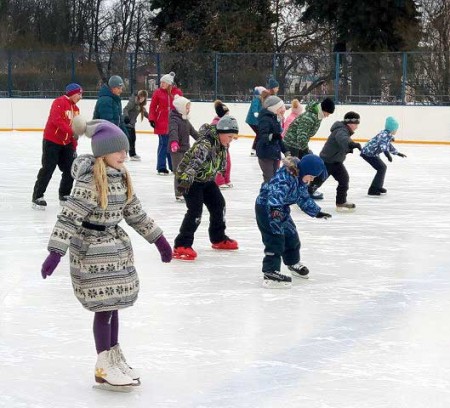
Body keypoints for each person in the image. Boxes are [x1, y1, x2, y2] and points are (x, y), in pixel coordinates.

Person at [40, 117, 173, 391]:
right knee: (104, 307)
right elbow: (69, 216)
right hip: (91, 250)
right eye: (118, 151)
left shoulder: (121, 177)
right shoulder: (90, 180)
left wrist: (158, 239)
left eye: (125, 150)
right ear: (103, 153)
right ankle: (103, 364)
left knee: (114, 304)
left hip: (114, 246)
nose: (124, 155)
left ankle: (113, 355)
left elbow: (135, 213)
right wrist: (55, 252)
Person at [255, 155, 331, 289]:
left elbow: (303, 198)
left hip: (281, 209)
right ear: (305, 170)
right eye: (311, 176)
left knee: (291, 235)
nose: (311, 180)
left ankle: (292, 262)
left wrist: (316, 212)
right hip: (268, 208)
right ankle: (270, 272)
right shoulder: (284, 177)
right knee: (275, 239)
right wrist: (275, 211)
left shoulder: (300, 179)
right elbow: (275, 194)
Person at [172, 116, 240, 261]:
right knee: (195, 211)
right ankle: (182, 244)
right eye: (229, 136)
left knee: (218, 205)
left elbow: (217, 162)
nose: (230, 140)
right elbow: (193, 163)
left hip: (206, 179)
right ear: (221, 132)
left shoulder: (221, 144)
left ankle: (218, 238)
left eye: (233, 137)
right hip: (190, 180)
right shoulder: (205, 144)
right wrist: (185, 182)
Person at [32, 83, 83, 209]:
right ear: (71, 93)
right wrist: (72, 132)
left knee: (70, 169)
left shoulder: (76, 110)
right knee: (48, 168)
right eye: (79, 94)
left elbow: (75, 129)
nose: (80, 97)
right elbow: (57, 120)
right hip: (52, 141)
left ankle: (64, 194)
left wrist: (74, 145)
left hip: (67, 144)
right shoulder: (59, 102)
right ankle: (38, 196)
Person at [309, 111, 362, 212]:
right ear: (350, 123)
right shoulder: (341, 130)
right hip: (327, 162)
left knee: (344, 180)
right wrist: (352, 144)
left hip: (336, 162)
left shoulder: (344, 130)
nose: (357, 127)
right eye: (356, 124)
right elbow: (343, 139)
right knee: (317, 181)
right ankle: (303, 197)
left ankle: (341, 202)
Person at [283, 97, 335, 199]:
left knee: (303, 166)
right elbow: (301, 135)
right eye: (328, 113)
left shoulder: (317, 115)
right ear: (324, 109)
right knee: (294, 168)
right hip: (292, 144)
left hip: (298, 144)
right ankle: (290, 191)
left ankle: (303, 190)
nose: (328, 116)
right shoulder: (310, 117)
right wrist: (305, 150)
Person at [360, 116, 407, 196]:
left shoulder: (387, 135)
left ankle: (378, 186)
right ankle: (373, 189)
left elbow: (388, 145)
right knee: (382, 168)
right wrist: (387, 155)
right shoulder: (384, 135)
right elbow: (383, 145)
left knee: (382, 168)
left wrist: (397, 153)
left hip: (372, 153)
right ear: (392, 129)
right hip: (368, 153)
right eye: (396, 129)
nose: (396, 131)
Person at [149, 71, 183, 175]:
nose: (161, 84)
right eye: (161, 82)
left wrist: (182, 119)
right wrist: (152, 119)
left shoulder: (177, 92)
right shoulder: (157, 93)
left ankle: (173, 166)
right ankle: (161, 167)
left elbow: (182, 106)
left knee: (172, 145)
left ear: (169, 83)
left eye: (164, 82)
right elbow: (153, 107)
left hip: (174, 123)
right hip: (161, 123)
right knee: (164, 144)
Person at [168, 94, 199, 202]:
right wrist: (174, 142)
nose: (188, 109)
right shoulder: (174, 119)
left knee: (187, 171)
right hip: (176, 150)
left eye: (189, 107)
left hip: (186, 149)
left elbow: (193, 132)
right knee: (179, 171)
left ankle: (186, 190)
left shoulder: (185, 119)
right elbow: (173, 131)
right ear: (180, 107)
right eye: (186, 107)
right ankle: (179, 193)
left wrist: (203, 139)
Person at [256, 95, 287, 183]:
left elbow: (278, 138)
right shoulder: (265, 119)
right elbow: (262, 136)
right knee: (269, 179)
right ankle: (266, 195)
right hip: (265, 154)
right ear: (274, 108)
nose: (283, 110)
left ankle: (274, 195)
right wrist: (272, 136)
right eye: (281, 107)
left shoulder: (275, 119)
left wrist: (285, 151)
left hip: (275, 153)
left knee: (276, 178)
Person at [212, 100, 235, 189]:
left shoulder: (226, 123)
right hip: (217, 149)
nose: (228, 116)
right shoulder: (215, 123)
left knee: (227, 163)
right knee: (219, 164)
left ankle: (226, 179)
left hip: (225, 147)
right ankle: (219, 181)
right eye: (226, 114)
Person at [123, 89, 149, 161]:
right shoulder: (133, 102)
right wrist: (126, 117)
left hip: (132, 124)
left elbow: (146, 114)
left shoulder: (140, 106)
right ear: (138, 96)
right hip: (127, 123)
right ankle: (124, 154)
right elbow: (125, 109)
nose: (142, 99)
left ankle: (132, 154)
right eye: (141, 97)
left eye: (144, 98)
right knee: (128, 139)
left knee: (133, 139)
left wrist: (152, 120)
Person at [246, 86, 267, 157]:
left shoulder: (262, 100)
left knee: (260, 134)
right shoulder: (257, 99)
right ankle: (254, 150)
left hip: (257, 121)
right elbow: (254, 106)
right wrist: (255, 112)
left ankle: (255, 150)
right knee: (260, 134)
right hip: (252, 120)